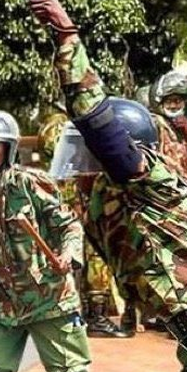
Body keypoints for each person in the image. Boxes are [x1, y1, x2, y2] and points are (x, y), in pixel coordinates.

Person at [29, 0, 187, 372]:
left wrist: (66, 36)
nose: (84, 162)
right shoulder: (147, 193)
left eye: (93, 152)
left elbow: (94, 117)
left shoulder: (137, 178)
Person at [0, 111, 138, 372]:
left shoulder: (30, 183)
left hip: (49, 294)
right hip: (6, 299)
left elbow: (69, 225)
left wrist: (68, 255)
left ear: (9, 147)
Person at [38, 111, 131, 338]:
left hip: (70, 199)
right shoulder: (62, 126)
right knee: (93, 254)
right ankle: (95, 316)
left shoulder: (54, 125)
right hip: (74, 199)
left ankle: (87, 312)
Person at [150, 71, 187, 181]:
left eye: (177, 101)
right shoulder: (157, 122)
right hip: (167, 185)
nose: (173, 106)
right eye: (169, 102)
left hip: (185, 184)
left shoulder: (182, 125)